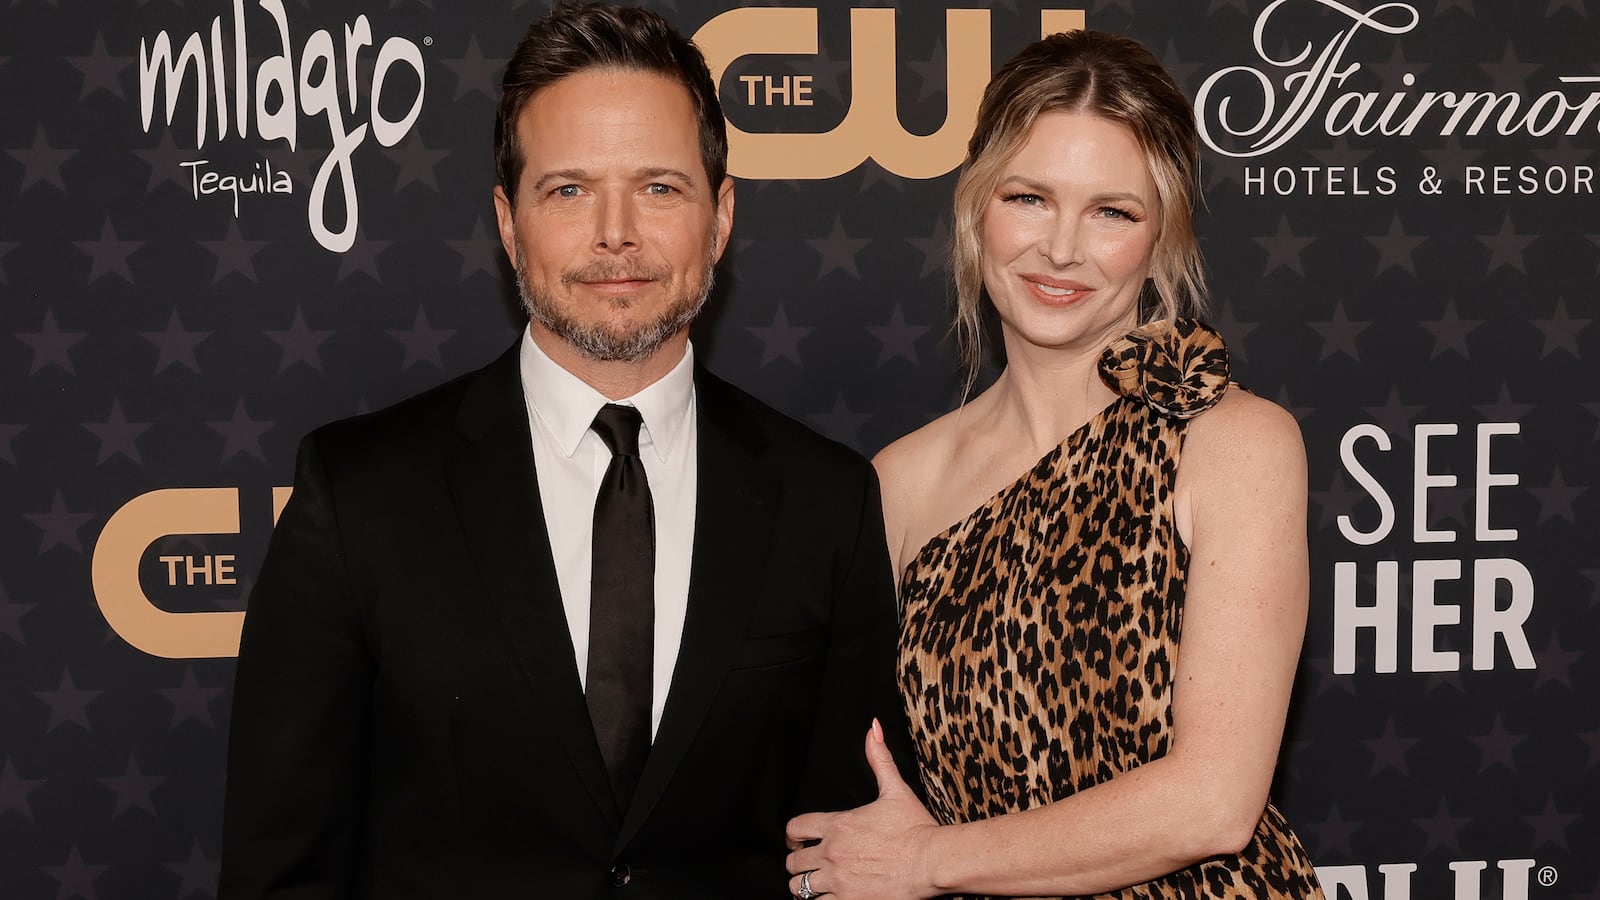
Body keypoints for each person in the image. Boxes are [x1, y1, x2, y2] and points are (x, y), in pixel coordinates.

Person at [218, 4, 909, 898]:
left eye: (660, 187)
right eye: (569, 190)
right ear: (509, 224)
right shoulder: (360, 496)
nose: (615, 231)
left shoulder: (827, 502)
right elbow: (282, 872)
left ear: (722, 217)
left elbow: (845, 856)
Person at [784, 29, 1325, 900]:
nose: (1062, 249)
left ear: (1162, 238)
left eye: (1113, 211)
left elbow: (1216, 802)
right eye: (1029, 197)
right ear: (976, 206)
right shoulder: (899, 482)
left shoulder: (1230, 441)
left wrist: (925, 862)